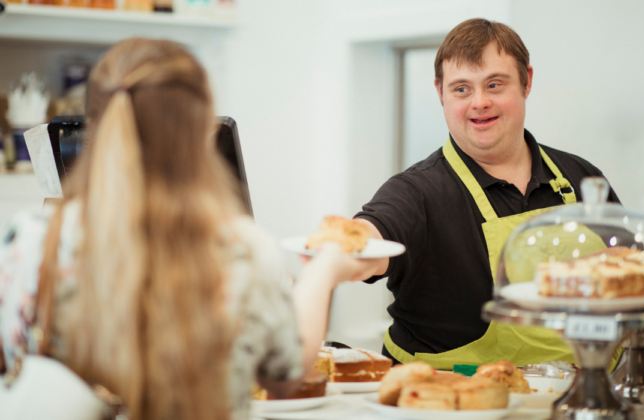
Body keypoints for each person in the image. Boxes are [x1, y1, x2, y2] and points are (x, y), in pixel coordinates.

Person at [0, 38, 370, 420]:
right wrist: (323, 272)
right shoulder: (243, 249)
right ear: (203, 131)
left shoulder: (30, 239)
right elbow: (285, 374)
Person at [351, 18, 622, 369]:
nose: (479, 102)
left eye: (494, 85)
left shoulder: (581, 177)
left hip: (582, 399)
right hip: (454, 401)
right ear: (440, 93)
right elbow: (370, 238)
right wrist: (341, 251)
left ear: (527, 82)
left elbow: (642, 296)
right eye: (461, 89)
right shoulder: (417, 192)